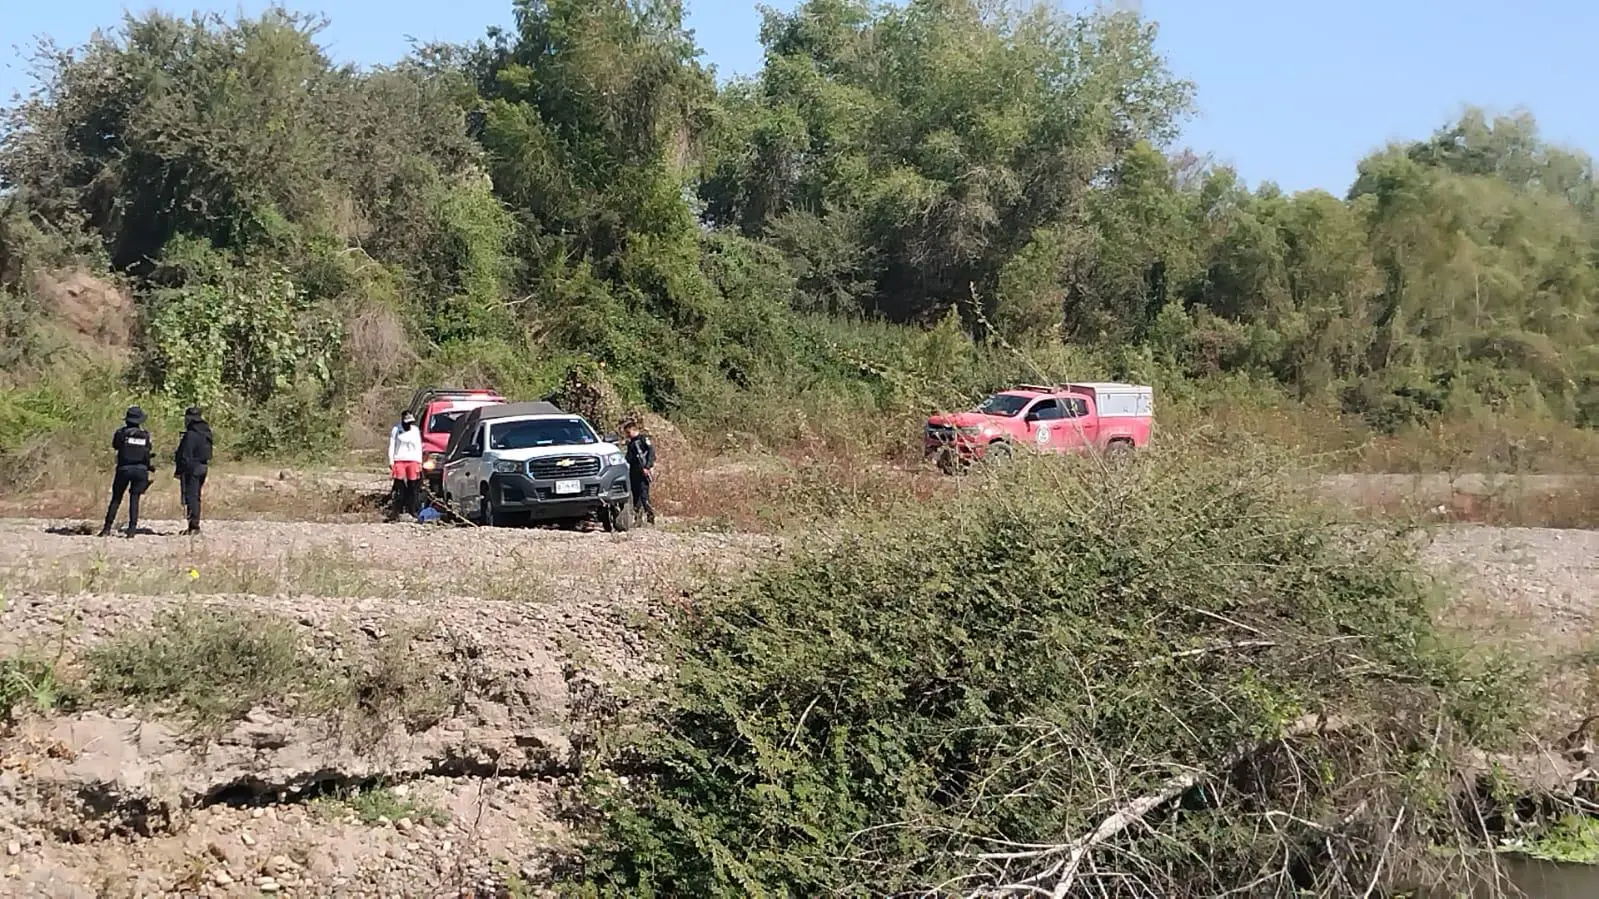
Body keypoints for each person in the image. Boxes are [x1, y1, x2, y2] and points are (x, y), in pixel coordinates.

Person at [101, 406, 155, 538]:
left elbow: (115, 446)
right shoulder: (145, 435)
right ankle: (131, 530)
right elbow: (148, 450)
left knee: (116, 498)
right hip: (141, 470)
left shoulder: (121, 433)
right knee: (134, 499)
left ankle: (107, 528)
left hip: (124, 468)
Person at [173, 405, 213, 535]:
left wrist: (179, 470)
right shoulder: (206, 433)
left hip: (192, 468)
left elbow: (185, 455)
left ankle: (194, 526)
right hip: (203, 466)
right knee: (196, 496)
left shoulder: (191, 435)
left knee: (191, 496)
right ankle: (194, 524)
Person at [387, 409, 424, 521]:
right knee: (399, 486)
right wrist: (391, 461)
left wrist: (419, 462)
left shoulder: (415, 430)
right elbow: (392, 445)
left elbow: (418, 446)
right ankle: (396, 511)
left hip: (413, 460)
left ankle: (412, 510)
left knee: (413, 486)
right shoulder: (396, 430)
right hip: (399, 460)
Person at [623, 419, 656, 525]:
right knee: (636, 496)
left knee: (644, 495)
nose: (627, 435)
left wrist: (648, 467)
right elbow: (629, 458)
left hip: (643, 471)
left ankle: (650, 517)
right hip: (634, 472)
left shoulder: (643, 439)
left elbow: (651, 453)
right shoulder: (631, 443)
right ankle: (638, 519)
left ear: (633, 430)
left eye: (628, 432)